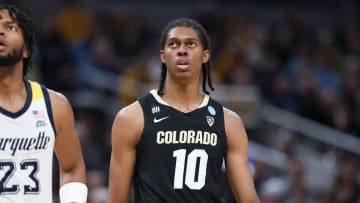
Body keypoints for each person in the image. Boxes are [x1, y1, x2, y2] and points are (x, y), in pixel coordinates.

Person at [108, 17, 259, 203]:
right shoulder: (132, 117)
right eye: (173, 44)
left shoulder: (229, 122)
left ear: (205, 55)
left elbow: (249, 199)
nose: (182, 50)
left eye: (190, 44)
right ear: (163, 56)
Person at [0, 5, 87, 203]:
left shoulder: (54, 105)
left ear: (26, 49)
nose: (1, 31)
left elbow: (71, 168)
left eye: (10, 27)